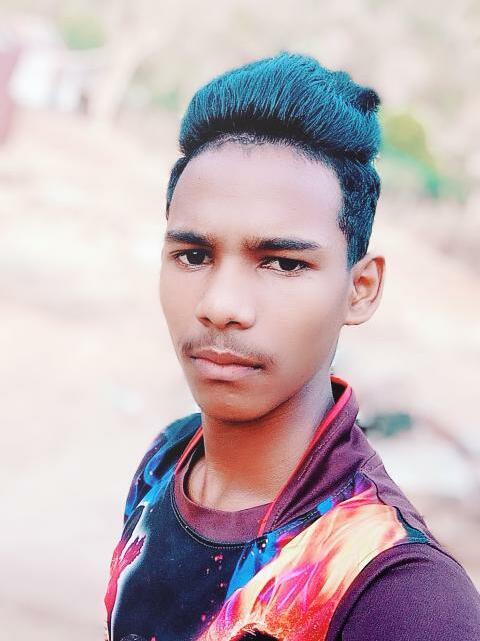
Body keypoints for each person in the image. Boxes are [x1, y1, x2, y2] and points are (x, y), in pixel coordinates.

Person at [104, 52, 480, 641]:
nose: (221, 304)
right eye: (193, 256)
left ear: (360, 289)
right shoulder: (169, 459)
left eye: (282, 263)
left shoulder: (399, 595)